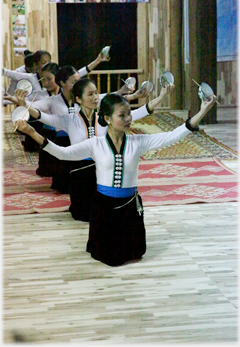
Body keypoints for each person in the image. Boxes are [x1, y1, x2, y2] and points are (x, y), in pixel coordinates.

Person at [14, 88, 217, 266]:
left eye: (129, 114)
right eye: (122, 115)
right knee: (109, 257)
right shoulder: (96, 144)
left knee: (135, 253)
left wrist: (203, 110)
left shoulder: (139, 141)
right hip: (104, 208)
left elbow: (173, 135)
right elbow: (62, 153)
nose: (128, 119)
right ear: (108, 118)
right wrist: (31, 131)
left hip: (129, 206)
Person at [17, 78, 157, 220]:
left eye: (96, 93)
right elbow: (42, 116)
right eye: (90, 94)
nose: (95, 97)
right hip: (79, 172)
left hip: (101, 170)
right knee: (82, 214)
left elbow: (140, 112)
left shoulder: (105, 119)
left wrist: (162, 95)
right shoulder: (69, 120)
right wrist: (24, 105)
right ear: (78, 99)